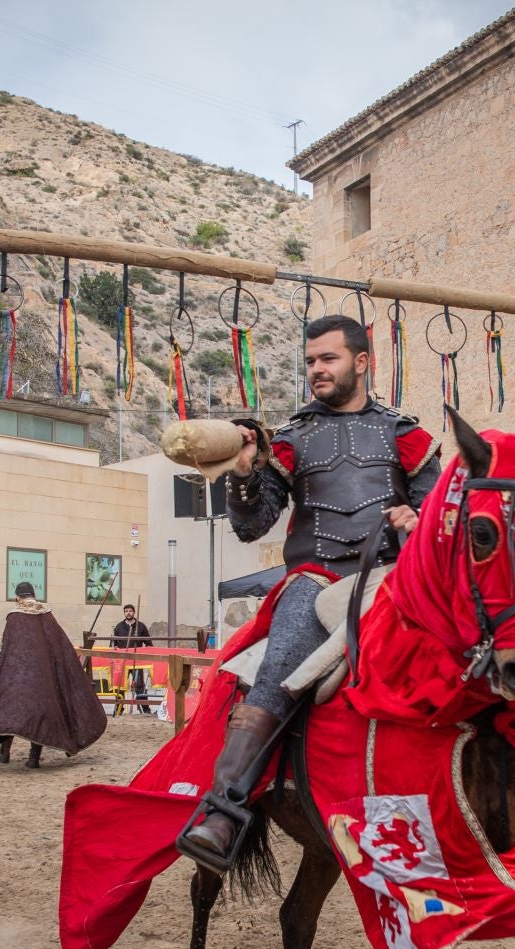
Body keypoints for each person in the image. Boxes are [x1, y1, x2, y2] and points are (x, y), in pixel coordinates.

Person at [176, 315, 441, 870]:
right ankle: (224, 811)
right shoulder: (291, 440)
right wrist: (246, 474)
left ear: (362, 362)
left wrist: (416, 518)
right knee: (279, 671)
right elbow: (252, 525)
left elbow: (439, 512)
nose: (317, 370)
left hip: (392, 581)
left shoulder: (405, 434)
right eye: (312, 361)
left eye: (329, 359)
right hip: (315, 581)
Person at [0, 582, 108, 768]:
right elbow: (60, 647)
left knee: (9, 711)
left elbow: (9, 648)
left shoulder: (14, 617)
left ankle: (4, 751)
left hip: (19, 677)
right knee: (40, 714)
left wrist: (2, 655)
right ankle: (33, 759)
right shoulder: (47, 616)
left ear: (18, 597)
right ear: (33, 595)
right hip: (44, 679)